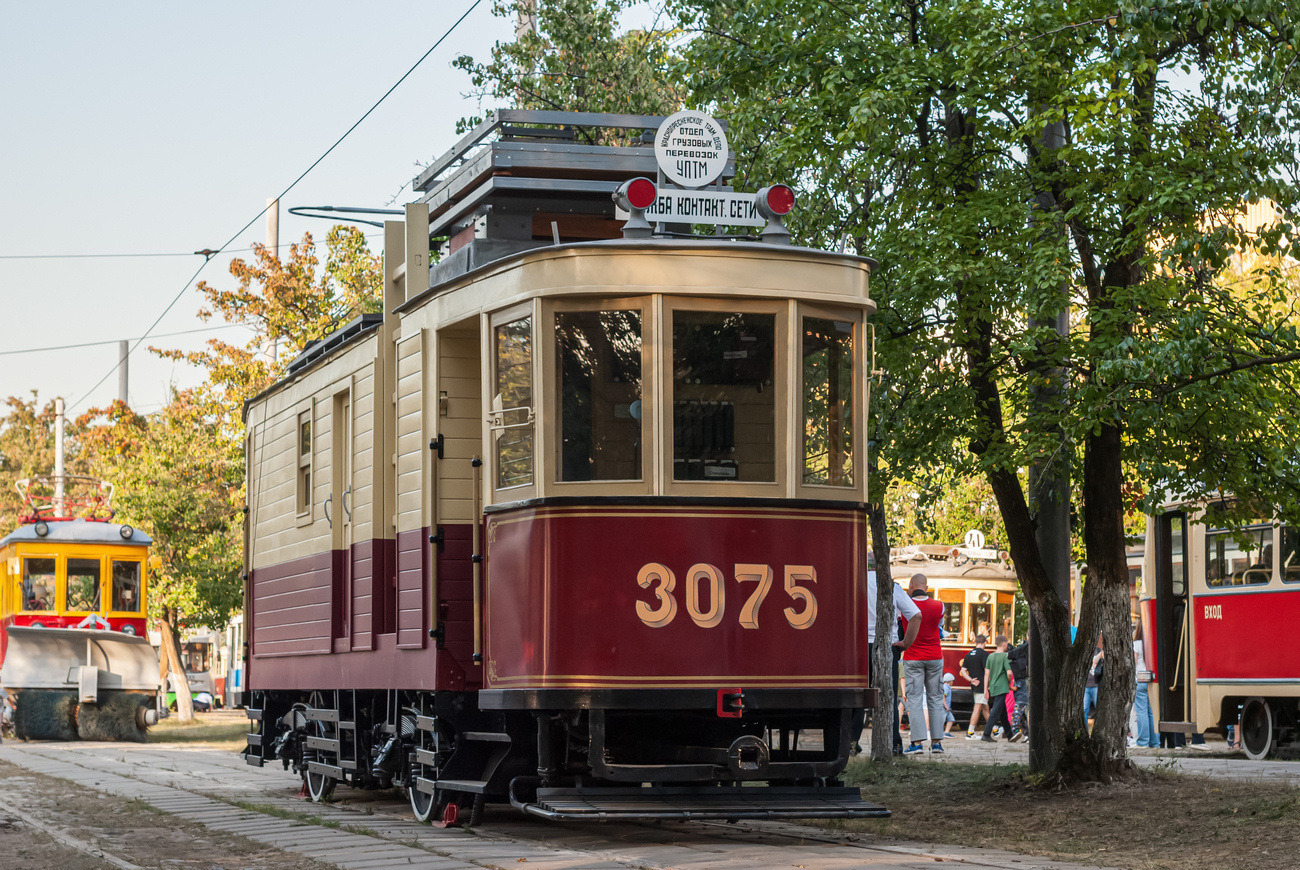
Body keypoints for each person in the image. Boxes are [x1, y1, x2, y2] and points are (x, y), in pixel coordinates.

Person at [855, 570, 922, 755]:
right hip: (887, 646)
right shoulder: (892, 586)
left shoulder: (855, 581)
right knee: (888, 698)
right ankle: (893, 745)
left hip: (859, 646)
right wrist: (905, 643)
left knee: (857, 697)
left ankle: (852, 743)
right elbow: (916, 615)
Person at [902, 573, 947, 755]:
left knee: (914, 700)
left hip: (913, 657)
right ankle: (936, 743)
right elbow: (940, 626)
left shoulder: (905, 605)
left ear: (911, 586)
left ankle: (917, 743)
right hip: (935, 657)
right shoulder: (939, 605)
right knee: (935, 699)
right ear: (926, 587)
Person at [982, 635, 1013, 741]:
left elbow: (986, 674)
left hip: (993, 686)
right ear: (1004, 643)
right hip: (1002, 686)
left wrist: (985, 689)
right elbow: (1009, 673)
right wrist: (1009, 682)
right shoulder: (1005, 656)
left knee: (1002, 712)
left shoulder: (990, 656)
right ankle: (986, 734)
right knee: (995, 711)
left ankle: (1010, 734)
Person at [1132, 623, 1158, 748]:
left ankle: (1143, 742)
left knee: (1141, 711)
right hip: (1152, 679)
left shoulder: (1136, 644)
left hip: (1140, 679)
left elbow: (1134, 663)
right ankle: (1155, 742)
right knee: (1152, 711)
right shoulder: (1153, 642)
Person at [960, 634, 990, 737]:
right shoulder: (985, 655)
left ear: (975, 642)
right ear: (985, 642)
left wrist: (970, 680)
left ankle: (994, 729)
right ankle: (970, 732)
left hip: (975, 684)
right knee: (977, 707)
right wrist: (987, 687)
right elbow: (987, 672)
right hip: (982, 684)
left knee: (985, 707)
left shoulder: (968, 654)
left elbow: (963, 670)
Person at [1006, 638, 1030, 741]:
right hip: (1024, 680)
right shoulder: (1028, 649)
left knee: (1021, 705)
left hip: (1019, 680)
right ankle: (1020, 730)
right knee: (1021, 705)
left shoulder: (1018, 652)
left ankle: (1021, 731)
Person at [1084, 633, 1104, 728]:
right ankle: (1085, 732)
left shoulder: (1098, 651)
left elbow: (1097, 664)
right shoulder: (1084, 652)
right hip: (1085, 685)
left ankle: (1099, 730)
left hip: (1095, 685)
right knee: (1084, 710)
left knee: (1099, 709)